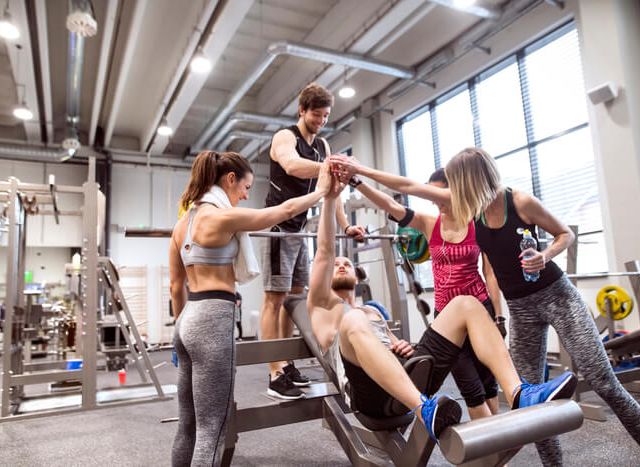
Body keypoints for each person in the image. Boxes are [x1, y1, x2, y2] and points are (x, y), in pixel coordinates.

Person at [332, 148, 640, 463]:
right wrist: (360, 175)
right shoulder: (466, 213)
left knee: (601, 381)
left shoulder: (510, 204)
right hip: (511, 309)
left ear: (470, 181)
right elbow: (407, 190)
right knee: (528, 403)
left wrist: (542, 259)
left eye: (454, 184)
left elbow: (560, 236)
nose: (448, 194)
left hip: (543, 298)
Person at [306, 175, 578, 443]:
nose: (341, 265)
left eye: (348, 264)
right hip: (371, 395)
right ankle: (425, 410)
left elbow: (391, 345)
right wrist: (331, 198)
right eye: (337, 264)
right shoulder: (323, 307)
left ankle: (519, 392)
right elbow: (325, 250)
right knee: (353, 319)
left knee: (465, 303)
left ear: (358, 275)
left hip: (406, 375)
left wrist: (398, 344)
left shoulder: (373, 313)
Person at [169, 150, 333, 466]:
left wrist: (180, 333)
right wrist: (322, 191)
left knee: (187, 424)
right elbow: (283, 211)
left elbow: (176, 287)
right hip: (213, 319)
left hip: (187, 321)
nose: (245, 196)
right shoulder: (221, 217)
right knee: (211, 429)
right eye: (245, 188)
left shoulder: (181, 225)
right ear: (230, 179)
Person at [340, 164, 504, 420]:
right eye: (431, 195)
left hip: (479, 308)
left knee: (489, 383)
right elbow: (391, 206)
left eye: (440, 194)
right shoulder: (429, 223)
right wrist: (357, 182)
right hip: (446, 316)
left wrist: (499, 316)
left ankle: (499, 443)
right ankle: (490, 451)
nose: (436, 201)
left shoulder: (477, 223)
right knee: (471, 388)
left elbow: (491, 273)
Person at [261, 82, 366, 400]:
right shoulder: (285, 137)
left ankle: (287, 364)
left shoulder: (321, 144)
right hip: (278, 226)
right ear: (302, 110)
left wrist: (346, 227)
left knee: (294, 301)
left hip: (301, 231)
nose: (321, 121)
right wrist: (331, 166)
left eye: (325, 116)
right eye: (316, 115)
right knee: (273, 300)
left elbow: (333, 191)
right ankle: (274, 371)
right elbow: (292, 165)